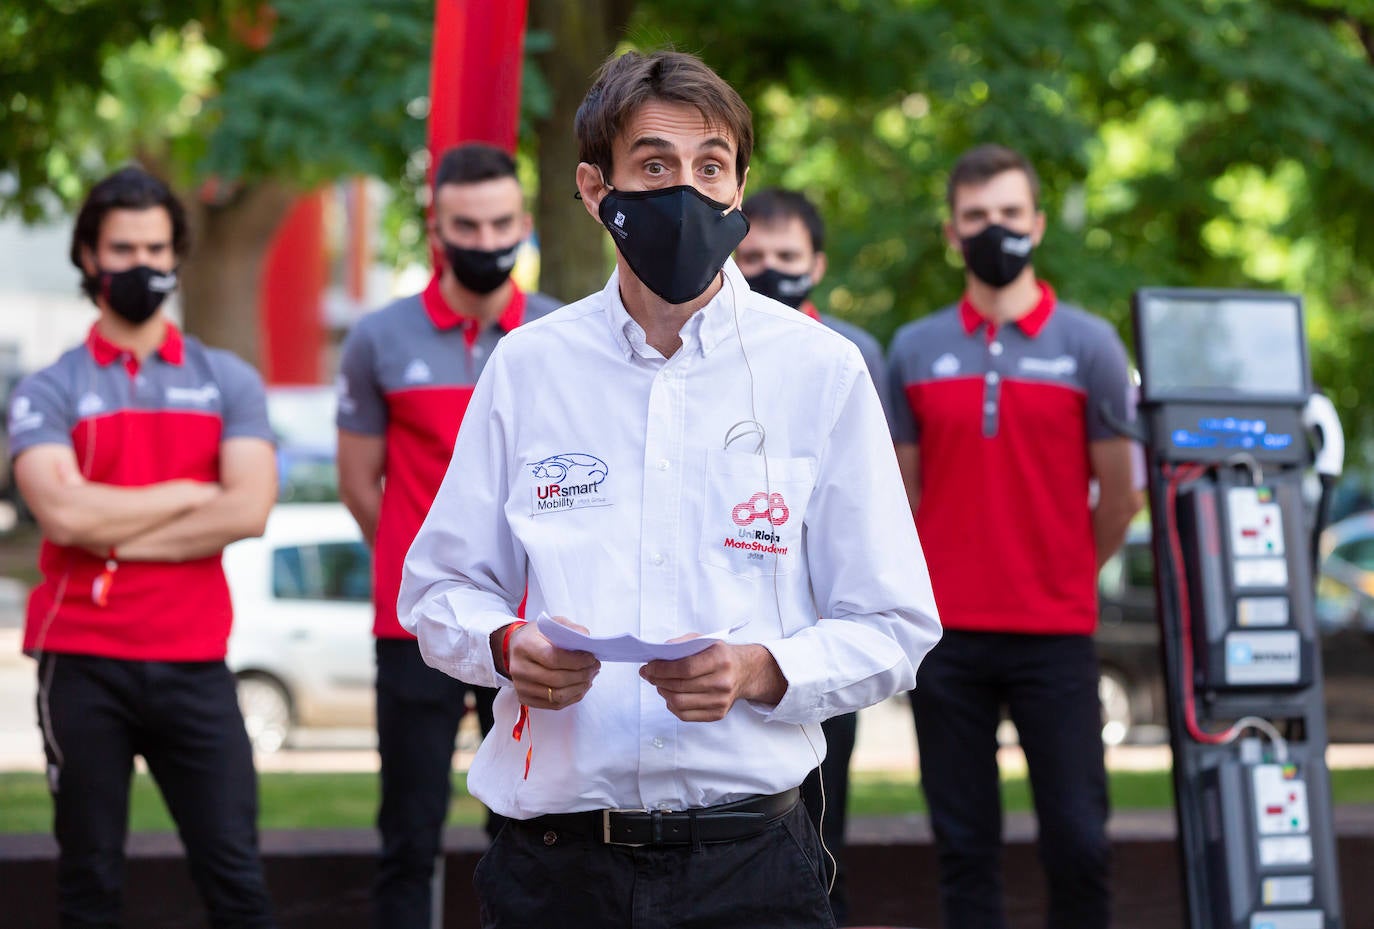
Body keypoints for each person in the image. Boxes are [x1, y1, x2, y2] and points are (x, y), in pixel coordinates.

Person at [399, 50, 942, 929]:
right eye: (654, 166)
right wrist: (503, 645)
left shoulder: (822, 371)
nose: (685, 190)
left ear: (738, 192)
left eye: (711, 167)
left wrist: (765, 669)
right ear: (592, 187)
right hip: (554, 872)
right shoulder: (529, 368)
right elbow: (435, 592)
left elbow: (897, 623)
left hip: (754, 869)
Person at [8, 166, 279, 928]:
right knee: (89, 884)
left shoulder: (227, 379)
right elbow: (62, 517)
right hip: (82, 658)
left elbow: (250, 508)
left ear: (178, 255)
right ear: (90, 258)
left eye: (158, 248)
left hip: (195, 662)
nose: (143, 265)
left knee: (237, 879)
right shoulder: (48, 388)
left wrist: (113, 528)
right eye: (123, 248)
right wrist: (192, 494)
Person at [887, 143, 1143, 929]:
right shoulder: (914, 349)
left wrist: (1066, 566)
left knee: (1077, 841)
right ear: (951, 234)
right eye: (975, 217)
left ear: (1035, 223)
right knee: (963, 845)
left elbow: (1122, 493)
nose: (992, 229)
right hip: (949, 636)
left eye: (1007, 213)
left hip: (1055, 634)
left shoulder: (1092, 345)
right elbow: (902, 495)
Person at [335, 142, 560, 929]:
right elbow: (360, 483)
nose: (487, 239)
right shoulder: (379, 339)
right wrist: (426, 569)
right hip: (417, 624)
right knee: (409, 829)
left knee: (530, 824)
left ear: (526, 223)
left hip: (538, 623)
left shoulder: (563, 332)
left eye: (502, 222)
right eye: (467, 224)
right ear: (437, 228)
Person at [736, 186, 892, 926]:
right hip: (743, 638)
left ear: (818, 264)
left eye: (787, 258)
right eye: (754, 257)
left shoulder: (852, 359)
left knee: (828, 815)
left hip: (828, 637)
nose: (771, 270)